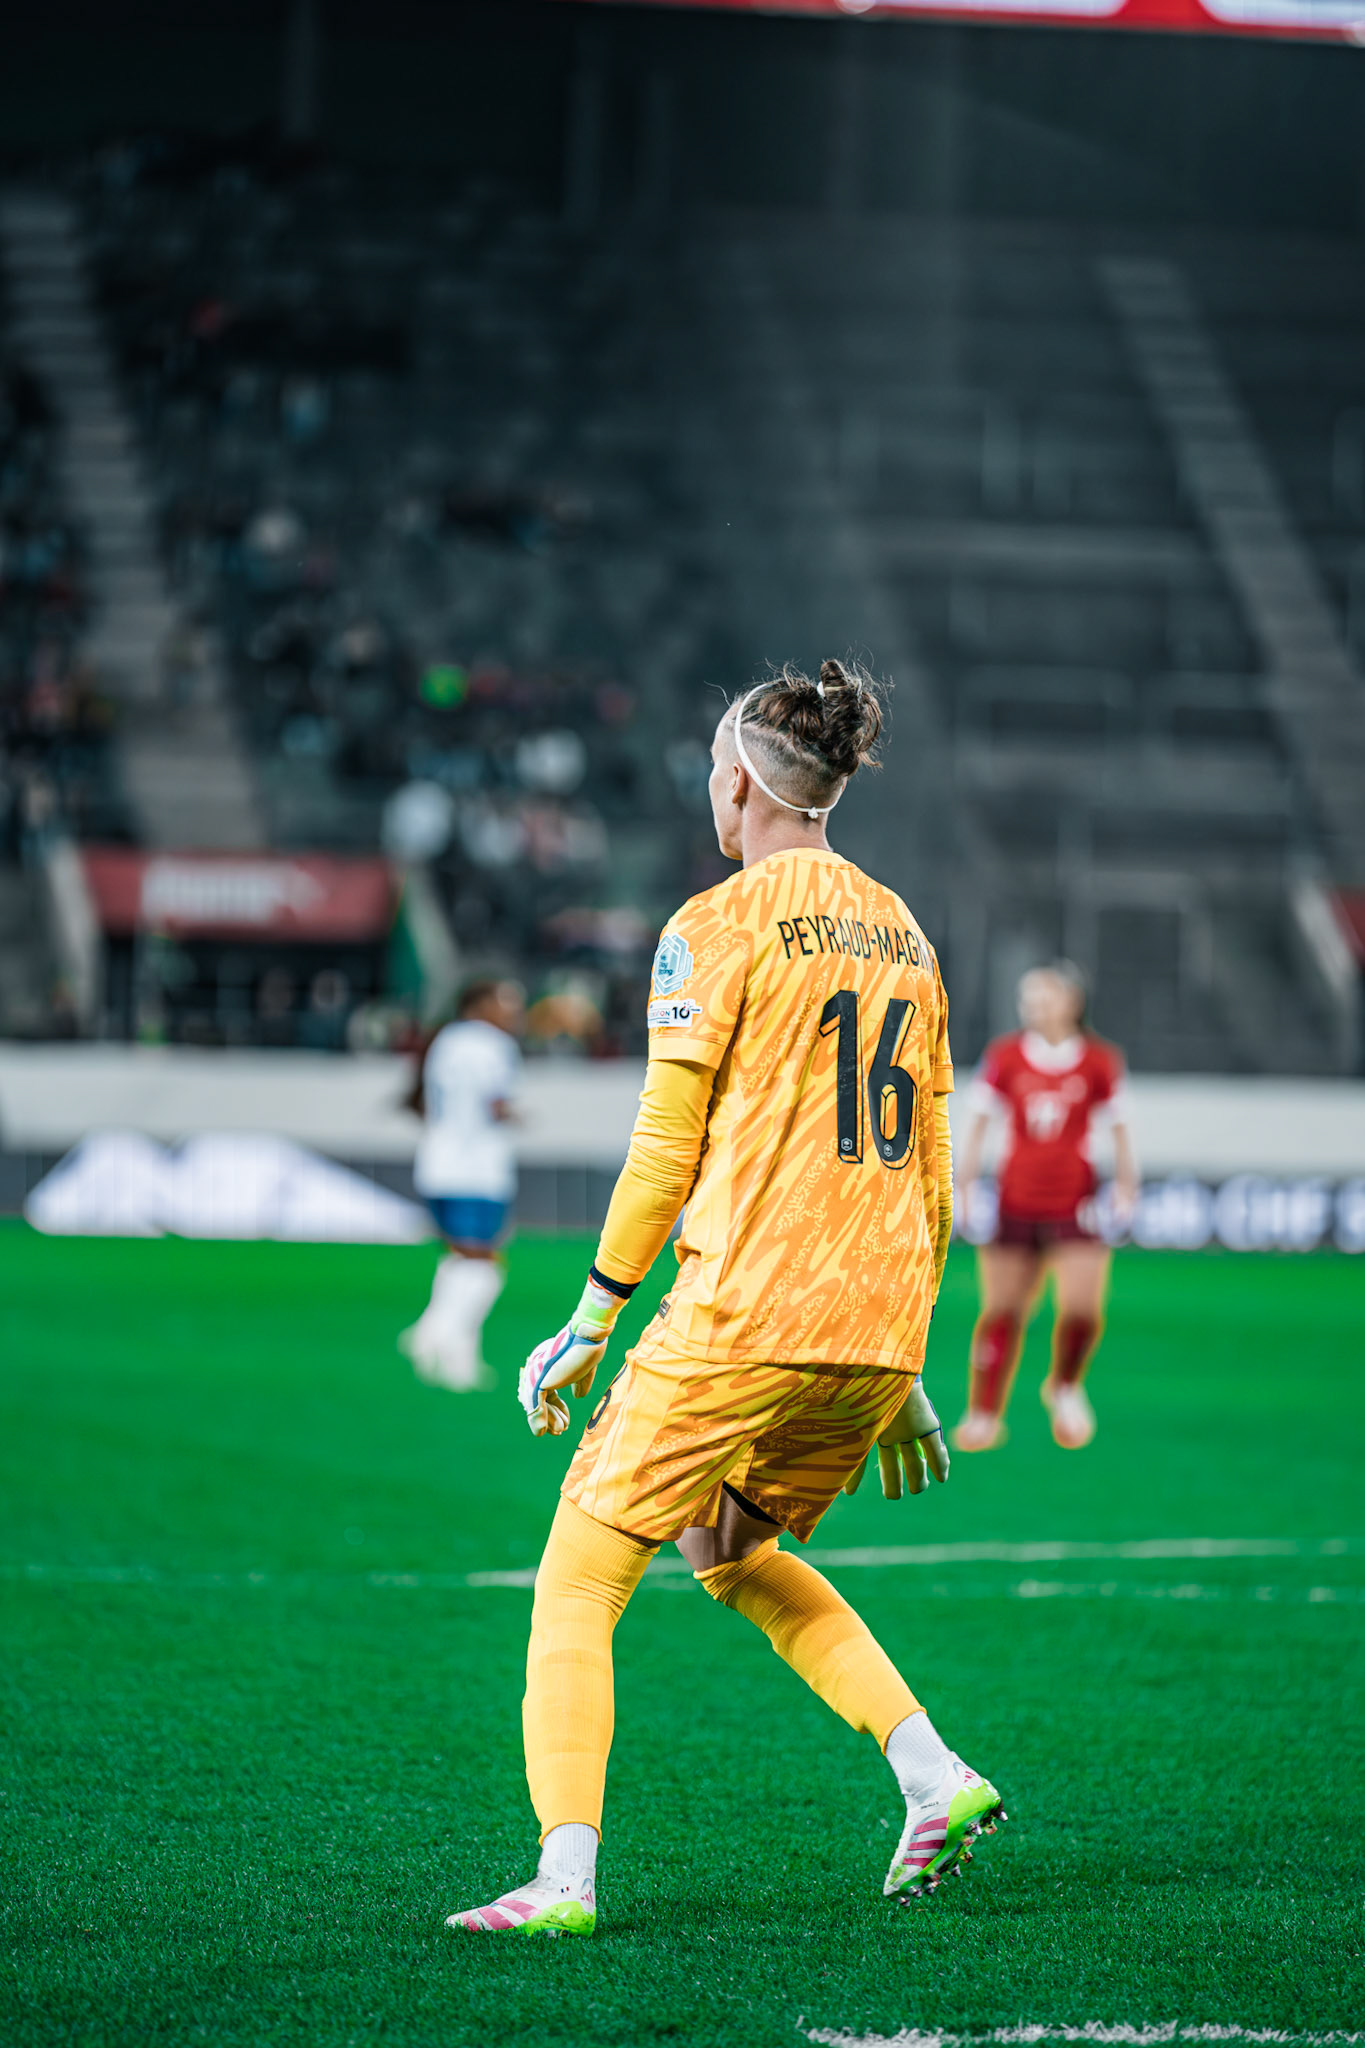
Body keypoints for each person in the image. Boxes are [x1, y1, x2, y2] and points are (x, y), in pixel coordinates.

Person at [448, 660, 1004, 1941]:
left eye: (713, 768)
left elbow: (664, 1147)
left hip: (747, 1313)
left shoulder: (718, 923)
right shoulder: (905, 931)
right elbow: (929, 1161)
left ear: (742, 781)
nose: (711, 787)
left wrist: (592, 1315)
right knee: (732, 1547)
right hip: (868, 1330)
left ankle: (564, 1878)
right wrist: (904, 1358)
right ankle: (932, 1774)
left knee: (579, 1577)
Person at [953, 961, 1139, 1454]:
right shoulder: (1007, 1056)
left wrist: (1126, 1184)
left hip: (1074, 1199)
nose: (1034, 1007)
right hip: (1016, 1198)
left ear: (1072, 1002)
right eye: (1028, 998)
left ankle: (1064, 1385)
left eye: (1044, 997)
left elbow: (1119, 1128)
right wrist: (965, 1184)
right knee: (1003, 1310)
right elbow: (978, 1123)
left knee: (1082, 1308)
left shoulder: (1099, 1061)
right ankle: (984, 1412)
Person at [399, 978, 525, 1391]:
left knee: (458, 1257)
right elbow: (496, 1102)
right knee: (484, 1265)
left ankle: (441, 1342)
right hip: (478, 1167)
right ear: (481, 1004)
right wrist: (516, 1116)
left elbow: (420, 1099)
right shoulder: (494, 1045)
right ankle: (441, 1344)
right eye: (506, 1002)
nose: (513, 1012)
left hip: (436, 1161)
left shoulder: (444, 1040)